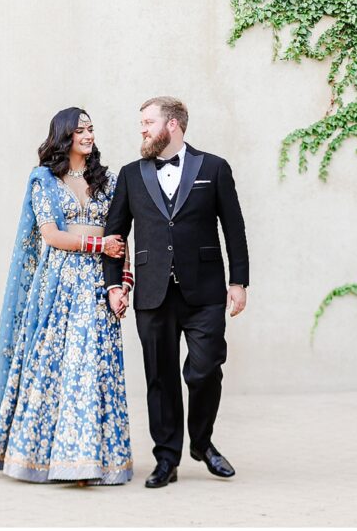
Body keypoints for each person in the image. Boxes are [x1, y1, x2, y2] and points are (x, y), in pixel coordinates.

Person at [104, 96, 249, 488]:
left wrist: (239, 282)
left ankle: (201, 442)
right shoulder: (131, 175)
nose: (143, 130)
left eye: (148, 122)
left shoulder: (214, 168)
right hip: (152, 293)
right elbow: (115, 235)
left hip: (204, 292)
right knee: (160, 378)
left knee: (204, 370)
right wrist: (114, 283)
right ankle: (166, 459)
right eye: (141, 123)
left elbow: (233, 229)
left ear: (172, 125)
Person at [0, 107, 135, 485]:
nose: (89, 135)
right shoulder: (44, 181)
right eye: (81, 130)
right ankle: (45, 457)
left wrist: (123, 285)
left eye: (91, 129)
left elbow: (120, 237)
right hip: (58, 285)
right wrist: (97, 242)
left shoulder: (109, 181)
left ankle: (88, 462)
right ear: (65, 136)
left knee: (92, 368)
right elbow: (51, 235)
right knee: (56, 368)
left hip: (98, 285)